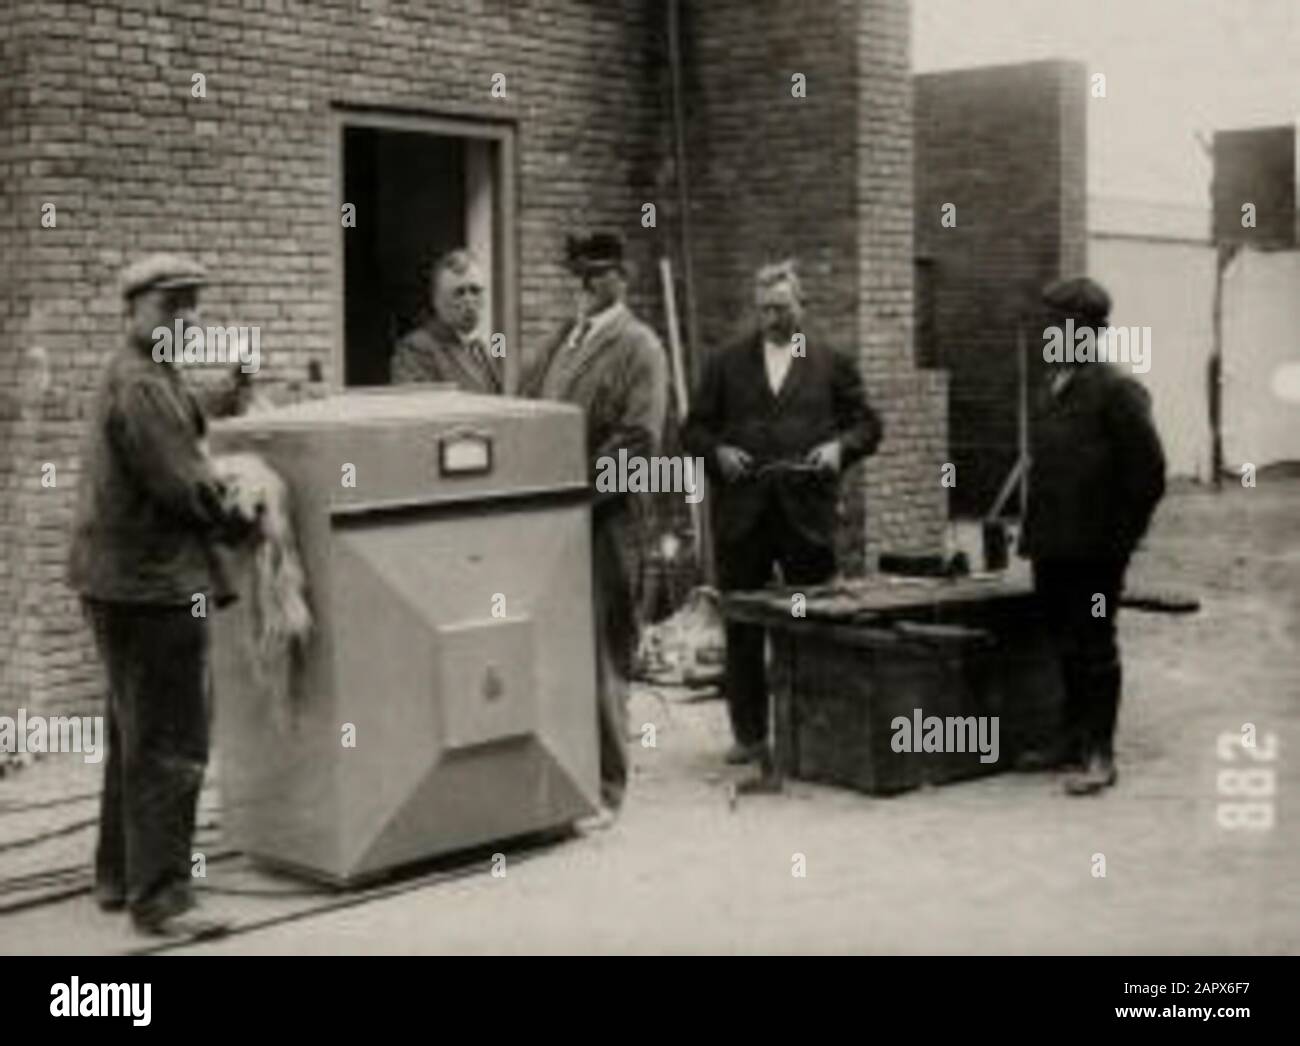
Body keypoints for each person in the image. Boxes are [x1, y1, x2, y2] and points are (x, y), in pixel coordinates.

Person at [69, 253, 254, 938]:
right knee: (173, 741)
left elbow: (177, 417)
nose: (184, 319)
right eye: (170, 307)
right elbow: (184, 484)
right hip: (154, 587)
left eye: (192, 307)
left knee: (132, 735)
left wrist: (223, 399)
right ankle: (164, 900)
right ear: (134, 309)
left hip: (116, 582)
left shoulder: (143, 373)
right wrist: (243, 519)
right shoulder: (142, 383)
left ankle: (119, 877)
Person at [683, 260, 881, 765]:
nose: (772, 318)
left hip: (805, 517)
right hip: (743, 516)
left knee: (813, 624)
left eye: (782, 308)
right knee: (743, 629)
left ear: (802, 306)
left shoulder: (831, 363)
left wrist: (840, 449)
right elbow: (693, 430)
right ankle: (749, 737)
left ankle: (818, 732)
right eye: (765, 309)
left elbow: (868, 426)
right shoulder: (726, 363)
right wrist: (719, 453)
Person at [521, 233, 669, 826]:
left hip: (609, 521)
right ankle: (563, 777)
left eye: (597, 275)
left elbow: (639, 441)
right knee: (558, 647)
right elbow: (527, 405)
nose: (583, 286)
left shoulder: (640, 347)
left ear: (622, 279)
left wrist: (577, 493)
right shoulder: (563, 339)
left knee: (605, 648)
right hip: (556, 516)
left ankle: (608, 787)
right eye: (577, 275)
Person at [1021, 276, 1166, 795]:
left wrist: (1119, 541)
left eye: (1053, 324)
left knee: (1095, 645)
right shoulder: (1053, 387)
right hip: (1053, 546)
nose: (1043, 332)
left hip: (1097, 553)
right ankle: (1069, 739)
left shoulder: (1117, 390)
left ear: (1082, 329)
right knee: (1062, 640)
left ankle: (1101, 755)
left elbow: (1148, 474)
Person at [391, 248, 502, 393]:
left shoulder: (484, 346)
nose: (469, 301)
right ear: (436, 301)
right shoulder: (416, 350)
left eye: (475, 291)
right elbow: (417, 408)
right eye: (459, 293)